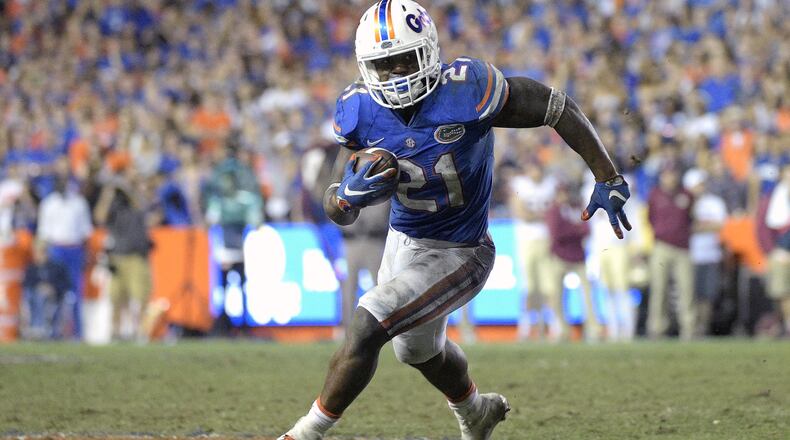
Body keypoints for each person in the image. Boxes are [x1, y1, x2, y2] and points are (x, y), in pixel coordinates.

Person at [278, 1, 631, 439]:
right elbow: (338, 209)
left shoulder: (467, 90)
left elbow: (555, 106)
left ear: (428, 51)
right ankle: (476, 411)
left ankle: (304, 433)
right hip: (402, 241)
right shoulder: (358, 111)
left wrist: (607, 175)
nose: (397, 74)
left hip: (462, 250)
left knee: (369, 323)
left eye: (405, 59)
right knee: (418, 351)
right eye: (384, 66)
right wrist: (345, 197)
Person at [93, 175, 154, 341]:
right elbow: (99, 217)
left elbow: (141, 206)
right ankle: (116, 333)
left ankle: (142, 333)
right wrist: (107, 195)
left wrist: (127, 189)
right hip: (117, 258)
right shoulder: (115, 207)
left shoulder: (138, 201)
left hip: (136, 257)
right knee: (116, 299)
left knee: (140, 297)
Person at [36, 171, 94, 339]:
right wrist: (42, 255)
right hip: (56, 249)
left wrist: (87, 254)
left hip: (74, 249)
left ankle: (78, 331)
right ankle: (53, 331)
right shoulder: (49, 204)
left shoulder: (78, 202)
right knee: (55, 291)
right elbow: (43, 233)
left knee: (75, 290)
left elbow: (85, 232)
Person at [545, 181, 601, 342]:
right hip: (559, 256)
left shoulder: (577, 208)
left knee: (588, 295)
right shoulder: (554, 211)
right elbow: (556, 233)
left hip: (578, 257)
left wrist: (569, 229)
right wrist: (574, 229)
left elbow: (586, 230)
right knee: (556, 296)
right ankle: (562, 329)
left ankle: (594, 329)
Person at [508, 159, 557, 340]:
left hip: (546, 239)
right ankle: (526, 326)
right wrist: (541, 216)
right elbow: (520, 212)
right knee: (528, 286)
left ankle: (552, 326)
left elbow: (553, 213)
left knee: (548, 286)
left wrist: (537, 216)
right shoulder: (520, 184)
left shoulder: (550, 184)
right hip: (526, 240)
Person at [647, 165, 695, 340]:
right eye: (667, 174)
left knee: (686, 289)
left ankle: (689, 329)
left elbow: (690, 218)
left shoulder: (686, 195)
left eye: (672, 174)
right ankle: (657, 328)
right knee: (659, 289)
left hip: (683, 248)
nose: (670, 178)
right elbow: (650, 218)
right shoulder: (655, 195)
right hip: (662, 247)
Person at [684, 168, 727, 337]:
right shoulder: (685, 203)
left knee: (708, 295)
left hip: (711, 254)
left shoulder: (714, 202)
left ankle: (703, 327)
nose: (700, 188)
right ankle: (692, 328)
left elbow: (720, 225)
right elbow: (684, 227)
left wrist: (696, 227)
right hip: (690, 255)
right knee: (691, 294)